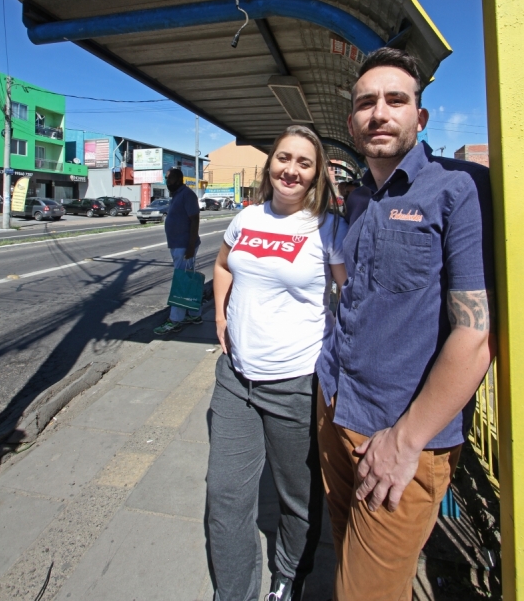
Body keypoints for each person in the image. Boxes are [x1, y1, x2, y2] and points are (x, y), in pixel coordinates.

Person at [317, 47, 496, 601]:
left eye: (396, 100)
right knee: (344, 562)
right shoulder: (359, 200)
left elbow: (476, 334)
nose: (379, 112)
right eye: (366, 102)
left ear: (420, 117)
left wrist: (406, 440)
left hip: (399, 438)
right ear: (352, 122)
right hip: (335, 410)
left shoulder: (458, 189)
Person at [207, 125, 348, 601]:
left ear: (316, 174)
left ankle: (287, 579)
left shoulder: (328, 228)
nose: (290, 170)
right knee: (225, 495)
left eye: (303, 163)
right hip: (235, 380)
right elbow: (222, 265)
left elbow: (351, 295)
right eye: (283, 158)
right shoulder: (246, 218)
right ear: (270, 164)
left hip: (296, 385)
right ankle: (234, 594)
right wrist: (221, 316)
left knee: (298, 496)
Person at [153, 168, 203, 335]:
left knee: (181, 282)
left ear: (179, 179)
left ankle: (175, 320)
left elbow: (195, 219)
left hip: (184, 246)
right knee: (187, 280)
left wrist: (190, 246)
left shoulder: (187, 194)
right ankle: (194, 314)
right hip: (178, 245)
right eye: (166, 179)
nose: (167, 182)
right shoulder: (177, 195)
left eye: (170, 179)